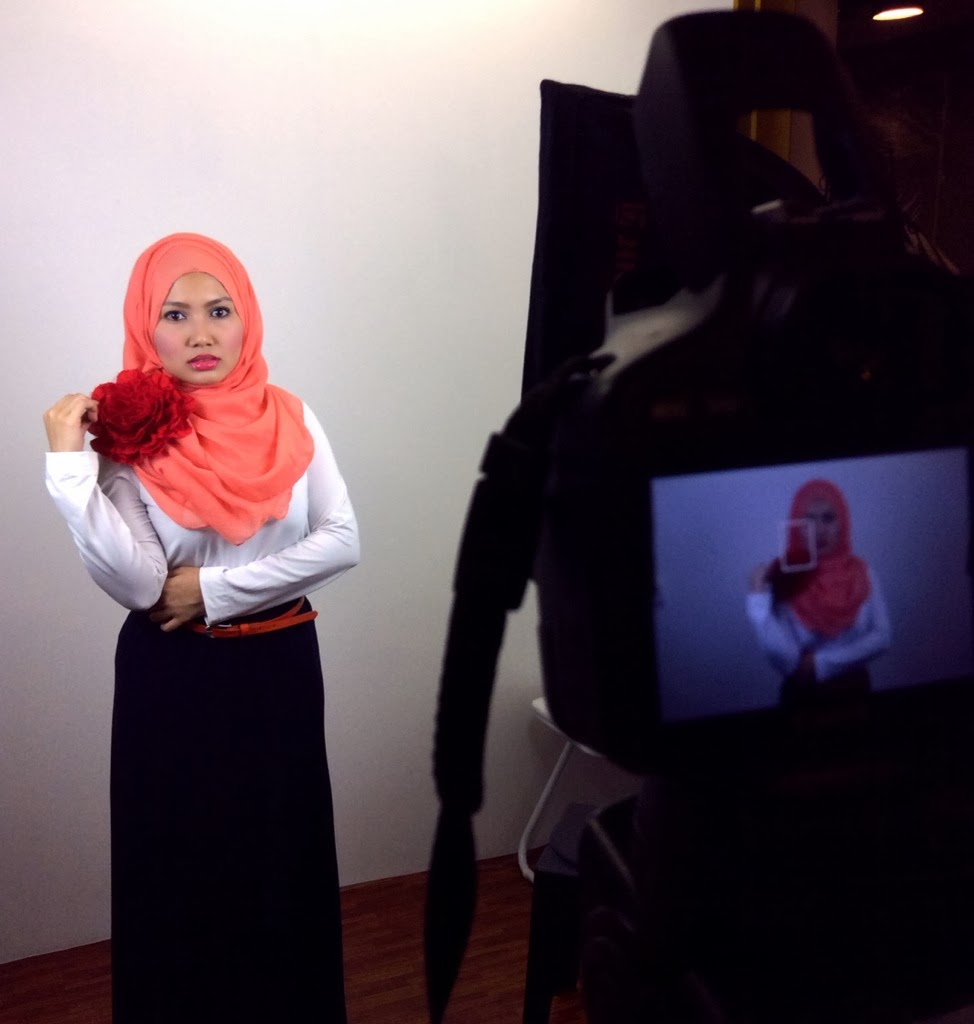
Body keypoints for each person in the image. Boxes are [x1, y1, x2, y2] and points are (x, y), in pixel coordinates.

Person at [43, 233, 360, 1024]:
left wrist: (213, 591)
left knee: (281, 856)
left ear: (246, 317)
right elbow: (142, 587)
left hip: (280, 667)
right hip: (174, 679)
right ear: (145, 327)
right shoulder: (131, 434)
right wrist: (71, 472)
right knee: (178, 866)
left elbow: (341, 542)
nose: (201, 333)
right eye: (175, 314)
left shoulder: (291, 416)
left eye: (219, 311)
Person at [746, 478, 890, 698]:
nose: (819, 530)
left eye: (828, 518)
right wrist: (758, 600)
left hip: (855, 694)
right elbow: (788, 663)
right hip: (803, 699)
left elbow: (883, 637)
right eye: (809, 520)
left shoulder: (863, 572)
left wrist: (821, 663)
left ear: (842, 523)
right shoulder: (786, 576)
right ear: (797, 526)